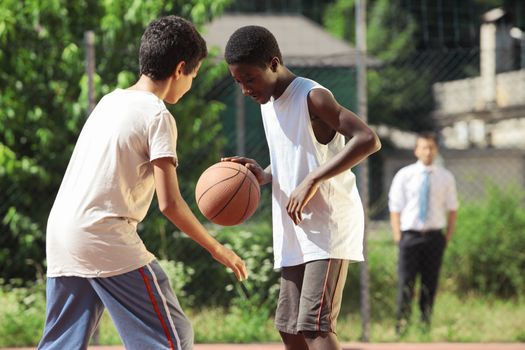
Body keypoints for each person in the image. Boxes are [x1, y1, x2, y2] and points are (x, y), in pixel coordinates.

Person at [38, 16, 248, 350]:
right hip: (104, 236)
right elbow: (170, 204)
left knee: (62, 344)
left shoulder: (111, 101)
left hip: (63, 233)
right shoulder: (157, 115)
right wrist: (217, 248)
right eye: (193, 75)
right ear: (180, 69)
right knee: (171, 338)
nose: (190, 84)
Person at [222, 25, 381, 350]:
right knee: (289, 328)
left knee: (315, 326)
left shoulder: (313, 96)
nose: (244, 89)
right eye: (237, 82)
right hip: (295, 229)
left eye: (249, 79)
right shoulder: (267, 102)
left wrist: (314, 179)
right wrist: (265, 174)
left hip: (327, 227)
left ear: (274, 63)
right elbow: (296, 156)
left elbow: (368, 139)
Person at [388, 132, 458, 334]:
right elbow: (395, 207)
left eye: (431, 147)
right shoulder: (405, 175)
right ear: (416, 150)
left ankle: (424, 325)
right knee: (405, 282)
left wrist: (447, 237)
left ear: (436, 150)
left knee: (430, 282)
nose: (428, 152)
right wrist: (397, 236)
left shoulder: (445, 177)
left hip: (434, 236)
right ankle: (401, 325)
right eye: (424, 147)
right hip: (410, 236)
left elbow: (452, 208)